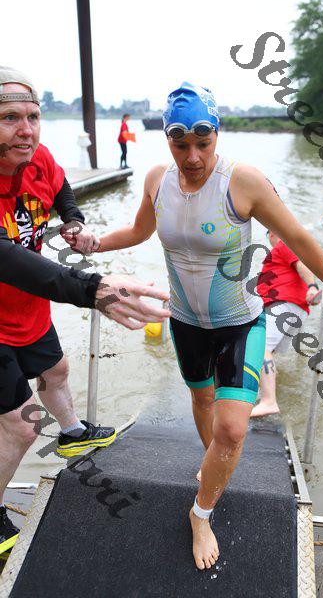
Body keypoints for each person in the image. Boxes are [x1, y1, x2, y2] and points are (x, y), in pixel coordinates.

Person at [89, 82, 323, 570]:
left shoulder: (243, 181)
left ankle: (201, 514)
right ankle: (210, 473)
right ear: (168, 140)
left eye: (203, 142)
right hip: (186, 323)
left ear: (217, 133)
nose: (193, 156)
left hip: (240, 322)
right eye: (180, 144)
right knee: (203, 402)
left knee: (232, 428)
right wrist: (94, 242)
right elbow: (139, 231)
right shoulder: (157, 180)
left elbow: (298, 237)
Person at [0, 67, 170, 555]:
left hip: (27, 307)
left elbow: (61, 190)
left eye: (33, 117)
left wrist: (72, 219)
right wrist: (93, 287)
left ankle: (73, 433)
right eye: (10, 118)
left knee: (56, 370)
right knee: (22, 425)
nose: (26, 130)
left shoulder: (37, 158)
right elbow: (8, 259)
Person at [251, 230, 321, 418]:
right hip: (296, 308)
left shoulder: (285, 243)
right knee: (270, 351)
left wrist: (312, 286)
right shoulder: (284, 252)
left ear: (272, 233)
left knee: (260, 347)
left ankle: (269, 401)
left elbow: (301, 264)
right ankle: (270, 389)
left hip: (284, 303)